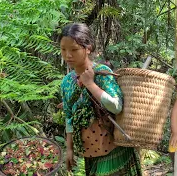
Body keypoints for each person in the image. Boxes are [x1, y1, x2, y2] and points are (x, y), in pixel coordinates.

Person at [59, 23, 142, 176]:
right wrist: (69, 149)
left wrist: (90, 84)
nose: (68, 55)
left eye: (74, 49)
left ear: (88, 48)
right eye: (63, 49)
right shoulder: (66, 82)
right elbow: (69, 116)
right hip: (90, 152)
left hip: (113, 148)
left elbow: (116, 106)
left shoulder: (102, 73)